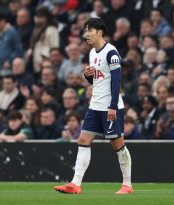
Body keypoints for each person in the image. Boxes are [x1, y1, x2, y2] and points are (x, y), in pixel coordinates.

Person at [54, 18, 133, 194]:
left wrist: (113, 106)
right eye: (85, 30)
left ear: (99, 31)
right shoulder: (92, 53)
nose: (86, 34)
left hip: (109, 107)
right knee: (83, 140)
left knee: (117, 143)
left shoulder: (111, 53)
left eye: (89, 30)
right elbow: (97, 79)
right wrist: (87, 75)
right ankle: (75, 184)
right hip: (95, 105)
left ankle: (127, 185)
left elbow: (116, 80)